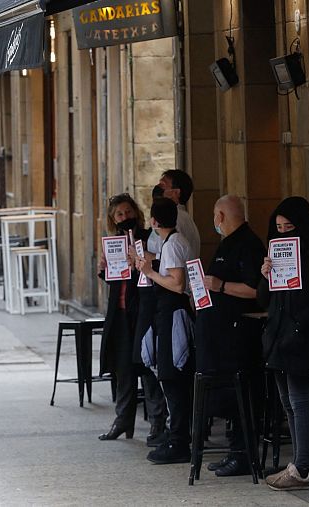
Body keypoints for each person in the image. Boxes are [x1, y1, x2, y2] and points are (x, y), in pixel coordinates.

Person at [257, 197, 309, 491]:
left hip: (298, 335)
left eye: (290, 226)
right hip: (275, 334)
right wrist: (265, 276)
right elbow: (264, 299)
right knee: (287, 402)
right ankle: (297, 463)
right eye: (278, 227)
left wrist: (301, 323)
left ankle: (302, 467)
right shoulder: (273, 255)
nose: (284, 232)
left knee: (300, 401)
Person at [195, 195, 266, 477]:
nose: (214, 221)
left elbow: (256, 290)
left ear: (221, 216)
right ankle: (234, 450)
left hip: (240, 334)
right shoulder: (228, 242)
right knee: (229, 397)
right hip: (220, 334)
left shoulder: (248, 245)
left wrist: (220, 285)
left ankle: (243, 454)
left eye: (214, 215)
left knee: (243, 396)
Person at [96, 194, 167, 445]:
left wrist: (141, 258)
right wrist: (105, 269)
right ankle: (123, 419)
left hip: (144, 310)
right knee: (123, 368)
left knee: (147, 365)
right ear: (113, 219)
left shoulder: (150, 238)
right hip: (121, 311)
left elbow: (159, 267)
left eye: (127, 212)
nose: (125, 218)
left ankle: (157, 422)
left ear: (136, 212)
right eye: (119, 215)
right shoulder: (113, 242)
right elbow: (115, 279)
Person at [136, 198, 195, 465]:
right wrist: (150, 262)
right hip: (173, 313)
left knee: (172, 377)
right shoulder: (177, 241)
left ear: (153, 222)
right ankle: (178, 435)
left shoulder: (172, 244)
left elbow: (176, 282)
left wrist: (149, 271)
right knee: (174, 376)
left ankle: (178, 439)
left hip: (173, 314)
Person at [148, 169, 201, 257]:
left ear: (176, 192)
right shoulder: (182, 217)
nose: (157, 187)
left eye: (162, 185)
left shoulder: (174, 217)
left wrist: (145, 256)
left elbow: (171, 254)